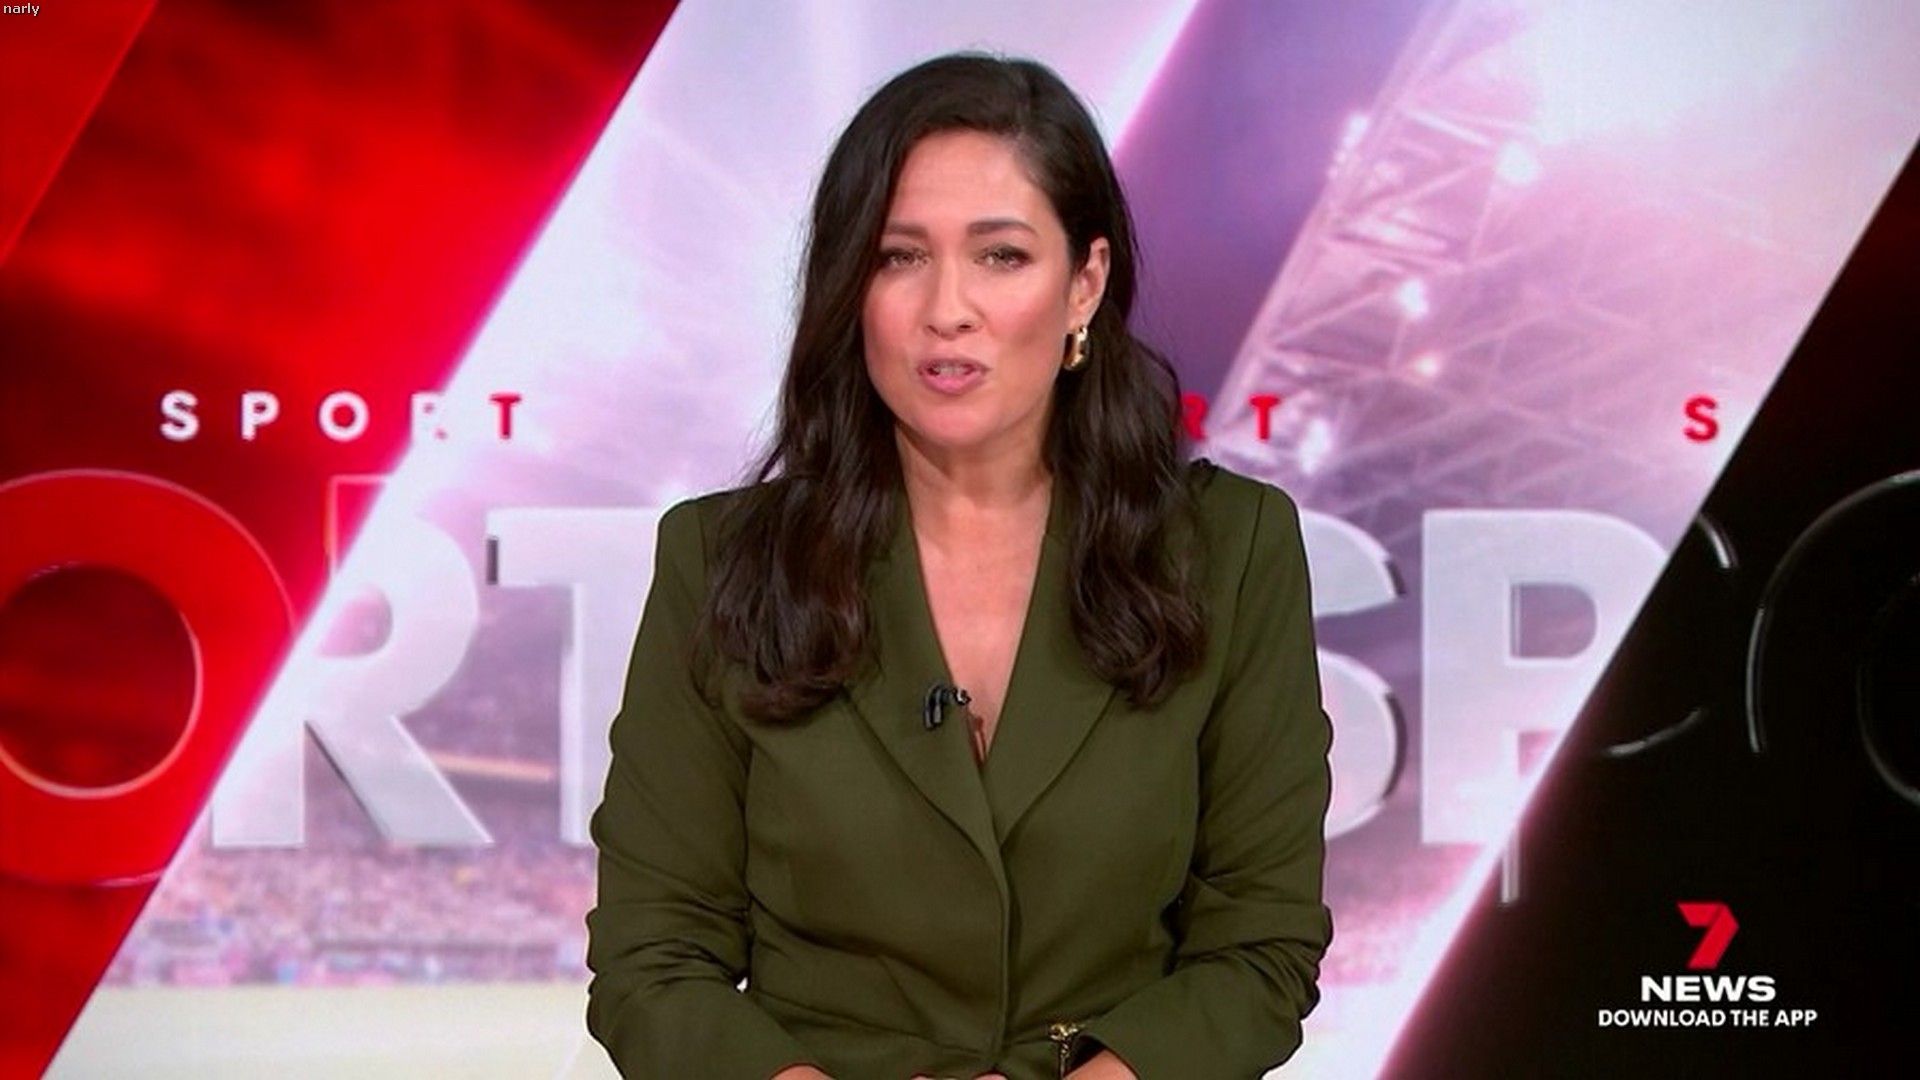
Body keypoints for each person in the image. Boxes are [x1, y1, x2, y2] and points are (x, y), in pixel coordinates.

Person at [585, 51, 1333, 1080]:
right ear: (851, 289)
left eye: (1001, 256)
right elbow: (653, 962)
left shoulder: (1231, 550)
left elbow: (1259, 948)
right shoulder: (721, 562)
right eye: (900, 257)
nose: (948, 308)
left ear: (1084, 284)